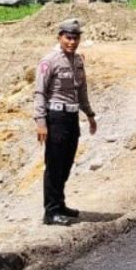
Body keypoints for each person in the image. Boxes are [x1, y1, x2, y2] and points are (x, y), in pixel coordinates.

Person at [34, 18, 98, 226]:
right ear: (60, 37)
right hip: (56, 117)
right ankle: (50, 212)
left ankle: (60, 204)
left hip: (71, 117)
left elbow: (81, 90)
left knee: (66, 163)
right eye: (68, 38)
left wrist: (89, 114)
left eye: (75, 38)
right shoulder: (49, 61)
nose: (72, 42)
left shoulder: (78, 61)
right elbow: (40, 92)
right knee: (54, 165)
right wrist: (41, 122)